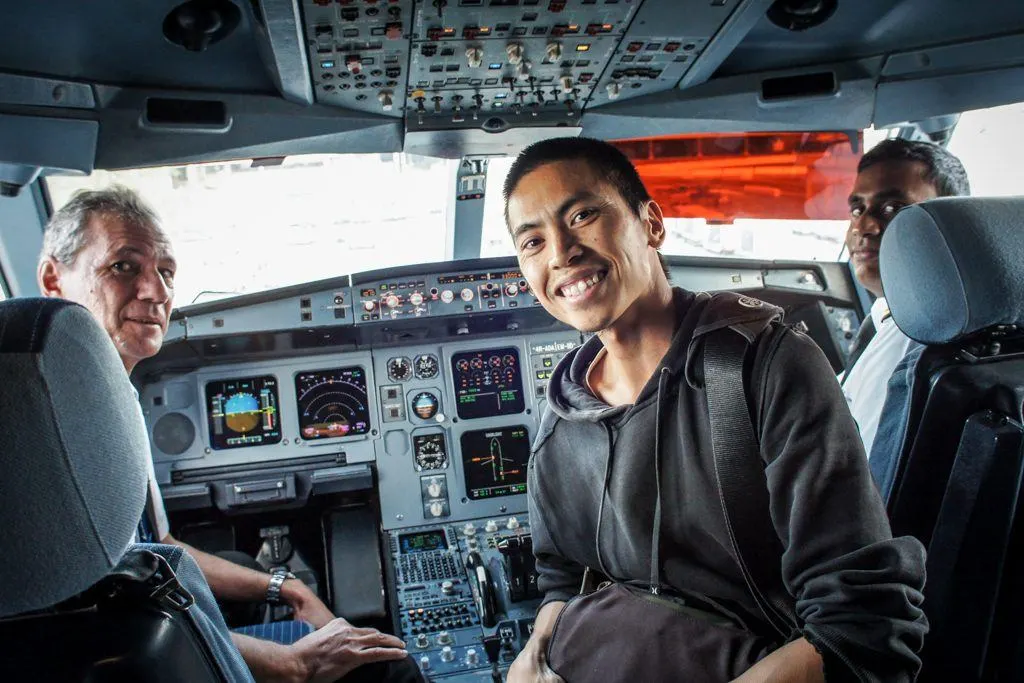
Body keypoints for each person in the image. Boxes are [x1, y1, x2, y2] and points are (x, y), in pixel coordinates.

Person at [502, 137, 929, 682]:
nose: (560, 253)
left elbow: (862, 623)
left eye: (582, 215)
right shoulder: (560, 418)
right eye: (533, 241)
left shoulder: (766, 367)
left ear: (653, 224)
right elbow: (562, 577)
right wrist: (532, 656)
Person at [37, 186, 420, 683]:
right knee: (392, 667)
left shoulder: (114, 397)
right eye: (124, 267)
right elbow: (112, 619)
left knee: (238, 562)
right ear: (53, 278)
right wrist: (296, 664)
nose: (156, 292)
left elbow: (160, 547)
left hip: (132, 631)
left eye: (166, 272)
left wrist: (288, 588)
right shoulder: (54, 421)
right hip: (117, 652)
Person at [841, 139, 971, 455]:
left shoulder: (909, 343)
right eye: (857, 208)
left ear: (948, 220)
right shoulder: (893, 314)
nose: (864, 225)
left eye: (892, 209)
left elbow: (858, 477)